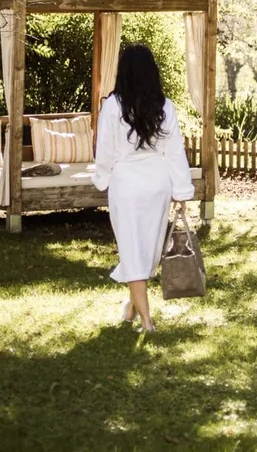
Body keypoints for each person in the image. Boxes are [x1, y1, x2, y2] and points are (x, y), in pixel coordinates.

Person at [92, 43, 195, 332]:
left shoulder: (112, 107)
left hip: (126, 184)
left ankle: (147, 322)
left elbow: (105, 151)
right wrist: (181, 191)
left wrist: (102, 179)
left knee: (134, 250)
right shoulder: (165, 106)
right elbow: (175, 152)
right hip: (157, 184)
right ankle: (131, 308)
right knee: (144, 251)